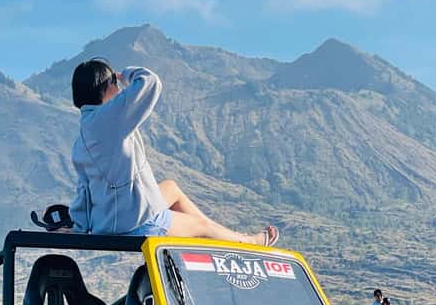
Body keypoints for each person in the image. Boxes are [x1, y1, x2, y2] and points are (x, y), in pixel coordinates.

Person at [69, 59, 280, 243]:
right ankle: (248, 241)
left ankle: (222, 235)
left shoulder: (84, 133)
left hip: (110, 221)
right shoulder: (109, 117)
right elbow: (151, 82)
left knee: (171, 188)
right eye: (114, 83)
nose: (119, 88)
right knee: (200, 226)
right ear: (105, 87)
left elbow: (85, 188)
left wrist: (80, 226)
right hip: (136, 223)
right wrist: (125, 74)